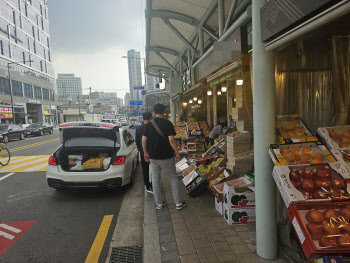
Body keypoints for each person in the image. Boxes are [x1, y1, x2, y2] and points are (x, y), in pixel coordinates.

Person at [142, 104, 186, 210]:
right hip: (167, 156)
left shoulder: (148, 125)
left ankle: (159, 204)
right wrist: (177, 152)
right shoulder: (168, 123)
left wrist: (145, 153)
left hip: (153, 157)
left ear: (154, 112)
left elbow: (143, 140)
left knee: (156, 180)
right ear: (164, 112)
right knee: (173, 178)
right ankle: (178, 203)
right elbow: (171, 140)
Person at [135, 112, 153, 193]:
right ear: (150, 118)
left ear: (143, 118)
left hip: (143, 152)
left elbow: (137, 142)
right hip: (152, 151)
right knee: (154, 169)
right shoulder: (152, 127)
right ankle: (153, 184)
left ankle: (147, 186)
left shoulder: (139, 128)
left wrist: (141, 150)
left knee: (145, 169)